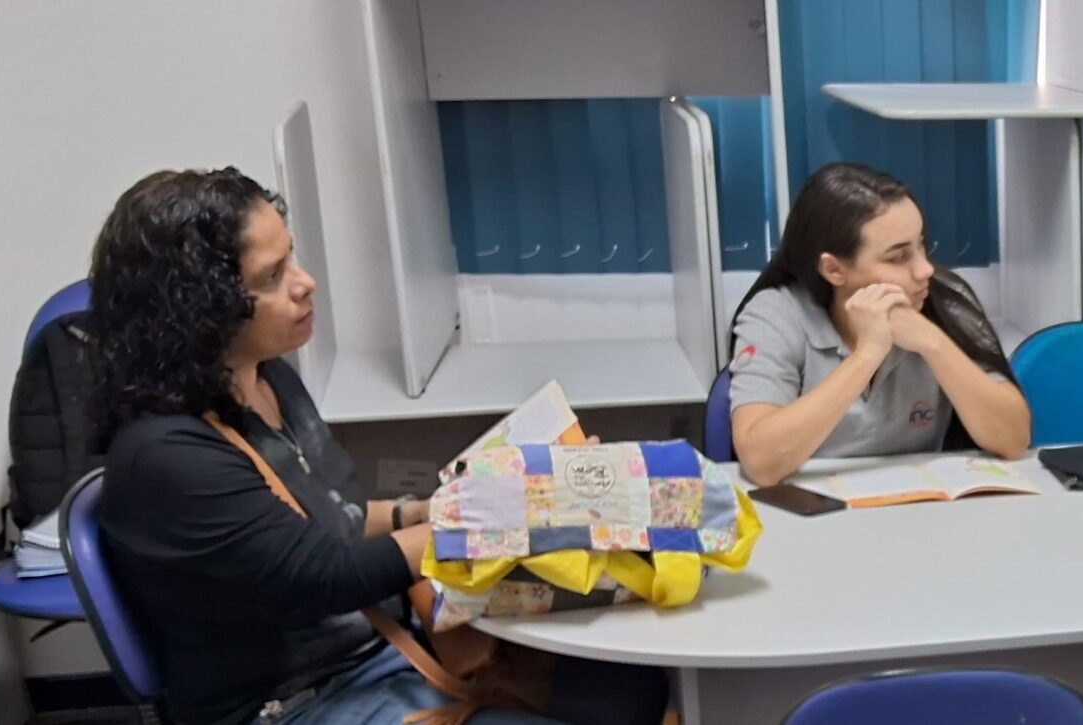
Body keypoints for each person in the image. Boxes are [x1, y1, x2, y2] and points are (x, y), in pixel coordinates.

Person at [91, 169, 664, 725]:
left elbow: (324, 518)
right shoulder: (166, 459)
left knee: (635, 690)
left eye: (292, 255)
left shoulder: (268, 380)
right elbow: (322, 575)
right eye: (272, 277)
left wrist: (425, 510)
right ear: (202, 309)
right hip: (292, 703)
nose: (304, 281)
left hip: (379, 655)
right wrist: (499, 510)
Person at [724, 162, 1029, 486]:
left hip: (920, 515)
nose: (924, 269)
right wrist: (866, 356)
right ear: (834, 270)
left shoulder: (939, 300)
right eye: (898, 257)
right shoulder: (776, 315)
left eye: (922, 245)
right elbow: (760, 462)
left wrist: (933, 342)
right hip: (815, 517)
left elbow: (1012, 439)